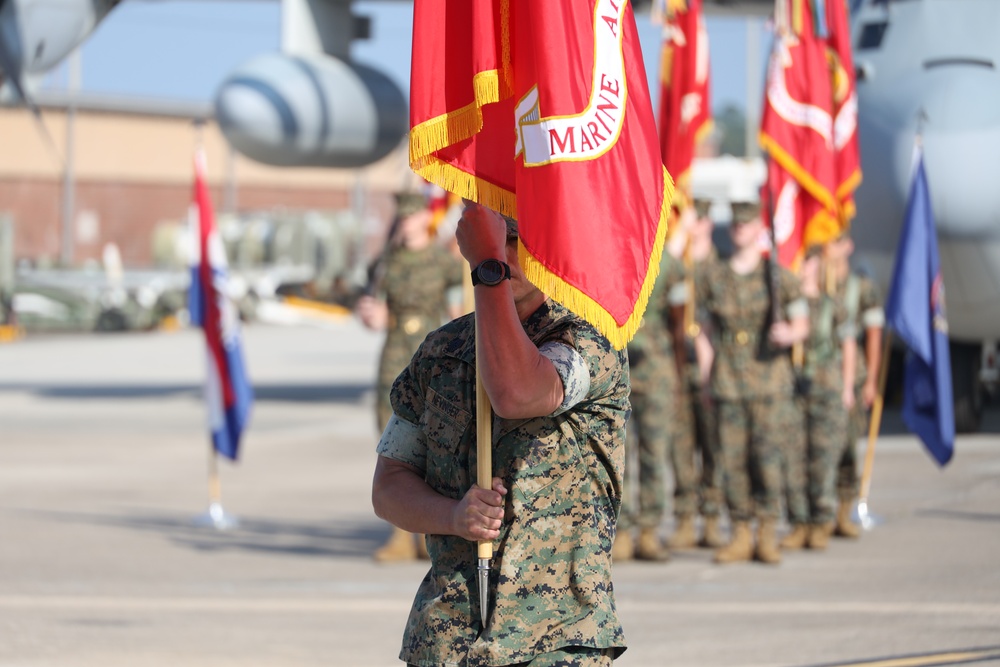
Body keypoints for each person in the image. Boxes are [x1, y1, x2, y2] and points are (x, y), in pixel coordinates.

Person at [371, 203, 629, 667]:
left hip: (554, 639)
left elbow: (517, 392)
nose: (503, 252)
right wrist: (453, 516)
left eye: (515, 239)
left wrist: (488, 270)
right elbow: (389, 486)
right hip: (448, 638)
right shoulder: (441, 352)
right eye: (494, 237)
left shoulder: (589, 339)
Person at [694, 199, 810, 565]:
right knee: (732, 460)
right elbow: (705, 332)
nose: (740, 230)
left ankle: (767, 532)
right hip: (729, 380)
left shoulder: (777, 277)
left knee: (767, 459)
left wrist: (787, 334)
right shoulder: (714, 277)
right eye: (736, 225)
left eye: (747, 224)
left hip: (769, 382)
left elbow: (802, 324)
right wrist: (707, 376)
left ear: (760, 230)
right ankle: (740, 532)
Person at [357, 192, 465, 562]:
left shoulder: (443, 262)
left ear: (425, 217)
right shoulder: (387, 262)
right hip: (395, 353)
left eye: (411, 215)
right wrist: (372, 317)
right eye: (400, 216)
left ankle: (429, 531)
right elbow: (379, 307)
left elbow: (456, 311)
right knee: (394, 439)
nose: (404, 222)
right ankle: (401, 535)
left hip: (433, 352)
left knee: (437, 438)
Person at [613, 209, 686, 563]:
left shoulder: (671, 266)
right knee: (620, 455)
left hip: (656, 370)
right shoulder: (613, 256)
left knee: (655, 453)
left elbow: (680, 326)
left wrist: (679, 373)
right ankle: (623, 529)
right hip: (620, 370)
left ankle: (650, 529)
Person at [779, 246, 857, 551]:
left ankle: (822, 520)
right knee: (794, 459)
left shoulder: (832, 304)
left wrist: (847, 386)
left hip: (826, 389)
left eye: (807, 260)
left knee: (823, 459)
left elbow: (848, 345)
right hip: (793, 390)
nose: (803, 266)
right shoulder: (785, 304)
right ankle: (799, 521)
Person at [666, 197, 726, 550]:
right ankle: (686, 516)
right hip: (679, 364)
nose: (695, 226)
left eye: (700, 219)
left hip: (713, 368)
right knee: (681, 445)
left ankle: (713, 517)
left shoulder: (719, 270)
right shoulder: (678, 265)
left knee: (712, 446)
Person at [829, 233, 884, 538]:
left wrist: (871, 381)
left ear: (849, 245)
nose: (831, 248)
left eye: (836, 241)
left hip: (853, 376)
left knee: (848, 448)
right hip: (820, 376)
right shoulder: (812, 282)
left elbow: (874, 334)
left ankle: (843, 510)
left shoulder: (861, 288)